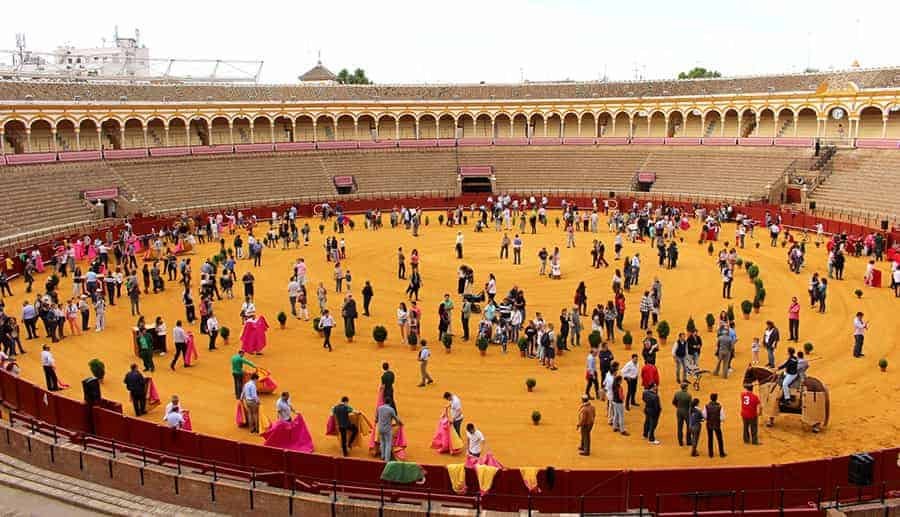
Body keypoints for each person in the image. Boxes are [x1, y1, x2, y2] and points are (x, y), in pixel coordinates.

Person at [376, 397, 402, 462]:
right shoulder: (391, 410)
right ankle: (386, 459)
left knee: (382, 442)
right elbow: (396, 419)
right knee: (388, 443)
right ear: (390, 403)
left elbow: (376, 418)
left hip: (380, 428)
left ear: (384, 401)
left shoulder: (379, 408)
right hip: (387, 429)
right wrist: (400, 423)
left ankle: (382, 456)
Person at [703, 393, 726, 457]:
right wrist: (718, 420)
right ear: (716, 398)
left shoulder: (706, 406)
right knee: (719, 439)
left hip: (709, 424)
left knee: (710, 439)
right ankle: (721, 453)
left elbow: (704, 416)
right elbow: (722, 418)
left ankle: (710, 454)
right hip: (717, 424)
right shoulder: (719, 406)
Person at [672, 382, 693, 446]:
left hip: (679, 411)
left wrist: (678, 407)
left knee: (679, 427)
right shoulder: (688, 395)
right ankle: (688, 441)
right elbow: (690, 405)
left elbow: (673, 402)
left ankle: (680, 442)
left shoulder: (677, 394)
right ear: (686, 387)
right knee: (688, 426)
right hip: (686, 412)